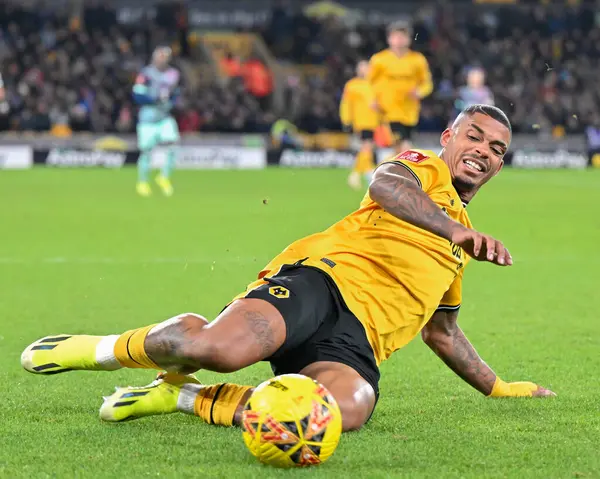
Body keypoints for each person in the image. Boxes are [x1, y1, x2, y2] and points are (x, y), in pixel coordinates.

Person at [21, 105, 555, 433]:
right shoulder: (424, 170)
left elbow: (442, 331)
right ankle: (102, 350)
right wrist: (454, 228)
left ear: (501, 165)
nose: (483, 150)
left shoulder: (457, 251)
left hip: (355, 344)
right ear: (448, 137)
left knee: (346, 411)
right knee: (217, 350)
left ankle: (183, 395)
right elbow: (384, 187)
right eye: (475, 136)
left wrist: (497, 387)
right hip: (320, 284)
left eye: (497, 149)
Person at [368, 20, 433, 155]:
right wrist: (372, 99)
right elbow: (369, 83)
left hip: (409, 110)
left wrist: (419, 92)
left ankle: (390, 170)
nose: (399, 40)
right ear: (389, 39)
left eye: (402, 37)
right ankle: (402, 171)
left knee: (400, 145)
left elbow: (427, 83)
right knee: (404, 143)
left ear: (409, 39)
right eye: (396, 37)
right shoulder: (379, 60)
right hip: (387, 109)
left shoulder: (418, 60)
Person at [132, 46, 181, 197]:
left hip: (164, 117)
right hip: (148, 118)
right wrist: (154, 100)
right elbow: (137, 94)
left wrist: (171, 101)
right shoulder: (146, 73)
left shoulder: (173, 74)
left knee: (173, 144)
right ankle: (142, 182)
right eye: (160, 56)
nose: (162, 59)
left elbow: (176, 92)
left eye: (165, 56)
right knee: (146, 151)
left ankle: (164, 176)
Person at [340, 60, 379, 190]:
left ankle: (367, 172)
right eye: (362, 68)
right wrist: (346, 119)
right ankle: (356, 174)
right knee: (367, 146)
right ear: (358, 70)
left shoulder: (375, 84)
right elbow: (346, 103)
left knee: (368, 147)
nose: (364, 70)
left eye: (366, 68)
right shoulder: (352, 85)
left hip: (376, 121)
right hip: (361, 121)